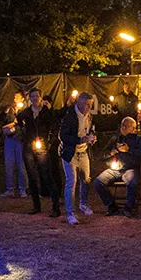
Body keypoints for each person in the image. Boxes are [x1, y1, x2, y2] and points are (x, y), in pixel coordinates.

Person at [19, 88, 63, 216]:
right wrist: (23, 134)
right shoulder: (26, 112)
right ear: (29, 98)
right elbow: (18, 121)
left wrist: (49, 143)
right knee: (32, 177)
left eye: (37, 96)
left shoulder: (46, 112)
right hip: (29, 147)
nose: (34, 98)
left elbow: (55, 126)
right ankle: (36, 206)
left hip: (43, 147)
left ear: (41, 97)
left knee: (46, 175)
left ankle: (55, 207)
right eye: (32, 96)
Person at [93, 116, 141, 216]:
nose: (123, 128)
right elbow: (102, 155)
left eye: (126, 126)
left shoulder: (139, 139)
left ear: (133, 128)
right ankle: (111, 206)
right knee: (98, 182)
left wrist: (129, 150)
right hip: (115, 168)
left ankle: (128, 208)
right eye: (122, 125)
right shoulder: (116, 138)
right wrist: (111, 153)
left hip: (130, 168)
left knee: (132, 183)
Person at [59, 91, 96, 225]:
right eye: (87, 104)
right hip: (70, 153)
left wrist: (91, 138)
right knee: (71, 182)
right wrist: (80, 139)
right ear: (79, 103)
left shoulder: (89, 116)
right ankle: (70, 213)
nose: (89, 107)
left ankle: (83, 204)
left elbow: (89, 130)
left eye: (90, 105)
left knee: (86, 180)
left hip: (84, 152)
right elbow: (63, 136)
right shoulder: (70, 116)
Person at [0, 90, 29, 198]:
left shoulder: (25, 111)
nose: (14, 99)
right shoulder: (10, 110)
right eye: (14, 97)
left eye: (17, 97)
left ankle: (23, 188)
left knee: (21, 164)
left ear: (22, 99)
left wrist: (15, 124)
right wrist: (6, 112)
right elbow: (1, 120)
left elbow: (24, 124)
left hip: (20, 139)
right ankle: (10, 188)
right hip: (10, 138)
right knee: (9, 163)